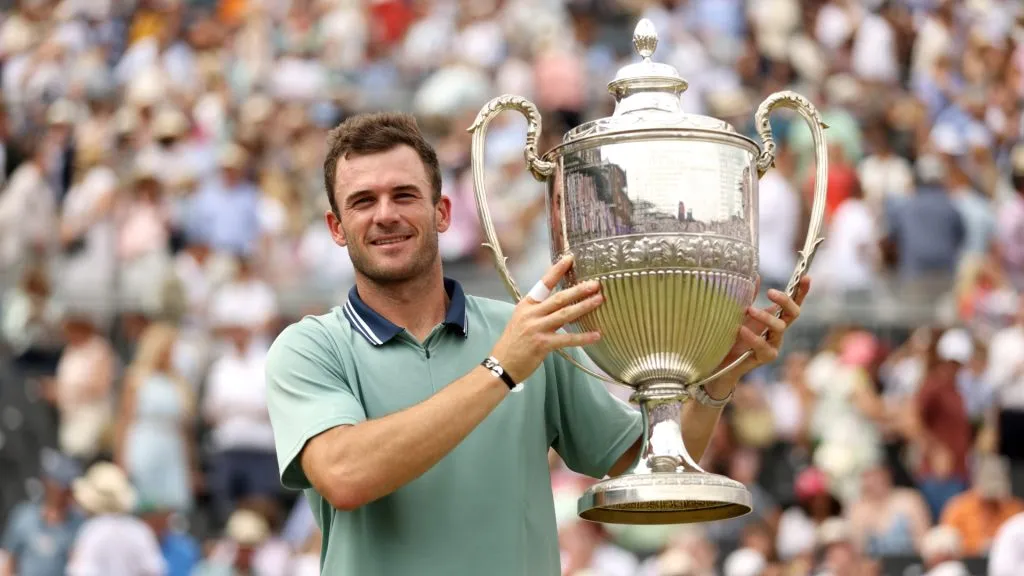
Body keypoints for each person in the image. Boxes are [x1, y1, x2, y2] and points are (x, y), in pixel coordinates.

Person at [264, 112, 809, 575]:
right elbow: (345, 475)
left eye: (404, 194)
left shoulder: (530, 331)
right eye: (363, 201)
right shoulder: (310, 347)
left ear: (443, 213)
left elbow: (640, 464)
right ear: (337, 227)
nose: (385, 214)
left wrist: (719, 380)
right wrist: (500, 369)